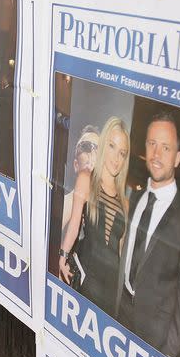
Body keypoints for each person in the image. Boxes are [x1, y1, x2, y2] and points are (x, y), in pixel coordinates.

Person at [116, 112, 180, 357]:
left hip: (154, 343)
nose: (157, 155)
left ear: (177, 158)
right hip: (116, 319)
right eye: (152, 144)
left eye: (166, 148)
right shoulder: (134, 199)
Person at [57, 118, 129, 315]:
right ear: (103, 146)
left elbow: (121, 253)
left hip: (110, 290)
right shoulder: (86, 179)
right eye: (112, 147)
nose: (116, 157)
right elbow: (73, 224)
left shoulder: (125, 203)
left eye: (122, 153)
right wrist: (62, 256)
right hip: (86, 279)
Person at [60, 125, 100, 231]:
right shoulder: (63, 205)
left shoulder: (104, 213)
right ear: (76, 165)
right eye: (85, 146)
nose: (92, 153)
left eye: (98, 149)